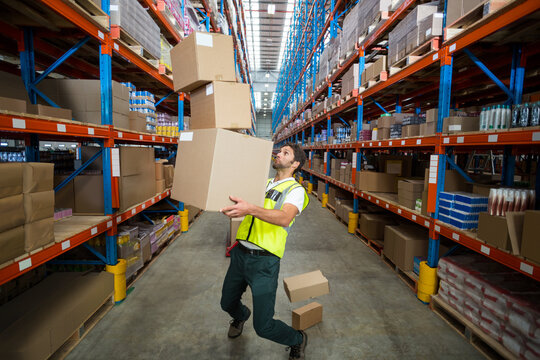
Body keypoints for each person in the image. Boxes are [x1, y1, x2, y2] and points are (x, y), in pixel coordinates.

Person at [220, 142, 310, 360]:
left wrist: (249, 208)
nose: (279, 154)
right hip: (241, 253)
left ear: (295, 163)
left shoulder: (296, 190)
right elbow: (246, 206)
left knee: (264, 326)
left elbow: (284, 218)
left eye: (285, 153)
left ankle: (297, 339)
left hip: (264, 262)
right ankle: (241, 315)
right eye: (279, 151)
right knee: (227, 302)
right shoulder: (265, 183)